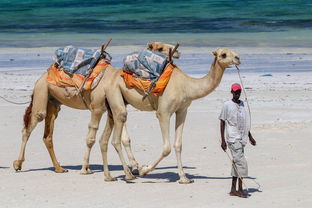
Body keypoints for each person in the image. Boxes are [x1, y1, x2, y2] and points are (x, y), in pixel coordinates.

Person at [219, 83, 256, 198]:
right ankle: (239, 190)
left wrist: (250, 136)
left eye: (239, 91)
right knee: (241, 163)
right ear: (232, 92)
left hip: (242, 138)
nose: (237, 94)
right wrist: (223, 140)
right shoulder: (227, 105)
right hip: (233, 138)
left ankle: (232, 190)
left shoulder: (242, 104)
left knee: (236, 164)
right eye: (235, 92)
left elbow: (244, 123)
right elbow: (222, 121)